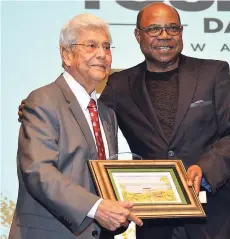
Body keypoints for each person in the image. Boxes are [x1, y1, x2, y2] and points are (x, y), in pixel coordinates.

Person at [99, 2, 230, 239]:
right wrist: (46, 105)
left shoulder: (212, 73)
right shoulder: (119, 85)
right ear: (138, 35)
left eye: (172, 29)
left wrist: (205, 169)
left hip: (213, 221)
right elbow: (89, 120)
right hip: (154, 223)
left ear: (181, 32)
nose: (165, 36)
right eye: (154, 30)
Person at [10, 14, 142, 239]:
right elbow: (38, 172)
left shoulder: (107, 114)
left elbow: (103, 177)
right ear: (66, 54)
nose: (101, 54)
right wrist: (98, 207)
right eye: (91, 45)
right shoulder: (43, 100)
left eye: (107, 47)